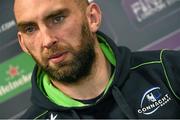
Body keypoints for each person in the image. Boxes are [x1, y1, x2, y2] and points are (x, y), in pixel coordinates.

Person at [13, 0, 180, 119]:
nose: (47, 40)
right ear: (23, 44)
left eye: (57, 19)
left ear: (92, 18)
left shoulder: (168, 70)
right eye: (30, 29)